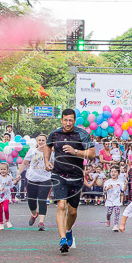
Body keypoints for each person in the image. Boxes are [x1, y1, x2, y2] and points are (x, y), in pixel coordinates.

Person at [46, 108, 96, 253]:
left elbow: (92, 154)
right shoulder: (55, 134)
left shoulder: (82, 134)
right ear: (61, 120)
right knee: (61, 205)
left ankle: (68, 230)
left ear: (75, 121)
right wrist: (46, 161)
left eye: (71, 120)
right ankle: (62, 240)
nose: (68, 123)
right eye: (65, 120)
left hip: (76, 176)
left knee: (72, 211)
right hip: (59, 175)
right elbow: (47, 146)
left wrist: (75, 152)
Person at [18, 134, 52, 230]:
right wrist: (18, 173)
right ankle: (34, 214)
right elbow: (25, 163)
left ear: (46, 142)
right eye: (39, 140)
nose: (41, 142)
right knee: (31, 201)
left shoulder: (50, 152)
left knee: (42, 200)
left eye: (43, 140)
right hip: (31, 178)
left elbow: (53, 163)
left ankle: (41, 223)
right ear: (37, 142)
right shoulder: (32, 151)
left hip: (45, 179)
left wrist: (51, 167)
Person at [0, 161, 18, 229]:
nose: (3, 171)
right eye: (1, 169)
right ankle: (1, 222)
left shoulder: (9, 177)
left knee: (6, 209)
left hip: (6, 195)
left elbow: (11, 185)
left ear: (7, 170)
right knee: (0, 210)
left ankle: (7, 220)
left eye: (4, 169)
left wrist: (16, 180)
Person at [103, 165, 125, 231]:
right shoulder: (107, 182)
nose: (113, 173)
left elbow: (123, 189)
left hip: (117, 200)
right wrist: (108, 188)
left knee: (117, 212)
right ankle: (108, 219)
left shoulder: (120, 181)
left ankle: (115, 225)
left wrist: (126, 184)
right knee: (109, 213)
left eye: (115, 172)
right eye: (112, 171)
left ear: (118, 173)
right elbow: (104, 190)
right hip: (109, 200)